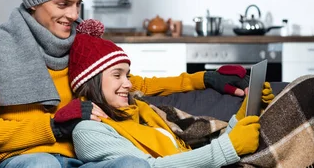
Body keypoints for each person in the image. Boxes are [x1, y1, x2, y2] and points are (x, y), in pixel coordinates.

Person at [0, 0, 249, 167]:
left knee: (131, 165)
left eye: (78, 3)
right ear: (35, 2)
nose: (74, 15)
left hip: (84, 156)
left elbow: (129, 84)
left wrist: (203, 79)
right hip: (27, 159)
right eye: (63, 4)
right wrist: (53, 128)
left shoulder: (80, 43)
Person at [63, 22, 274, 167]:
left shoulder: (144, 112)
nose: (127, 84)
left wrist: (246, 109)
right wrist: (228, 148)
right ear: (91, 82)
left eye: (127, 75)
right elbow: (149, 167)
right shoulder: (89, 130)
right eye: (117, 75)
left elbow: (192, 158)